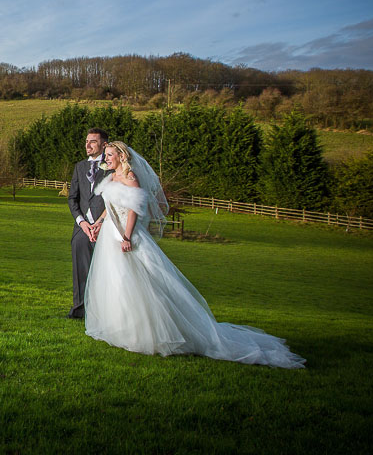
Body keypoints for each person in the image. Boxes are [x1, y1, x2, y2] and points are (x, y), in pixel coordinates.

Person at [84, 141, 305, 368]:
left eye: (110, 154)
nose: (106, 158)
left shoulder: (131, 178)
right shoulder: (112, 177)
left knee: (140, 282)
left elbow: (133, 210)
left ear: (121, 156)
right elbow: (109, 207)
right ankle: (122, 327)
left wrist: (127, 237)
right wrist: (98, 223)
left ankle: (153, 331)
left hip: (126, 235)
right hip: (109, 235)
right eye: (106, 155)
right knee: (117, 281)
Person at [65, 128, 110, 319]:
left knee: (107, 269)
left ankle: (105, 310)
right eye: (86, 141)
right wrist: (82, 222)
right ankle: (80, 309)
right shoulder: (80, 167)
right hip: (83, 227)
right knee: (80, 265)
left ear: (104, 145)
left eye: (93, 141)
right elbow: (72, 198)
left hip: (106, 226)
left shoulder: (112, 166)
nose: (88, 145)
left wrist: (101, 223)